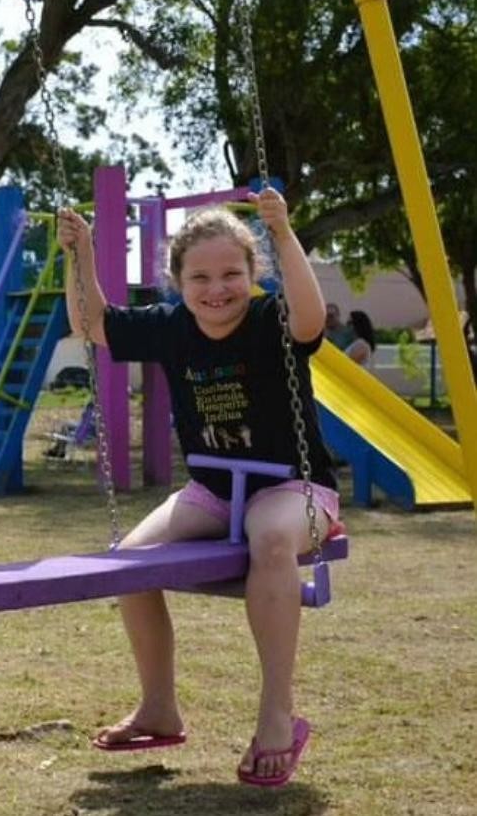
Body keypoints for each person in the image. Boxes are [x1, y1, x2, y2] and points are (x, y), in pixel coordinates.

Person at [57, 188, 340, 788]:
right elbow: (90, 323)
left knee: (269, 541)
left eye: (232, 274)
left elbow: (311, 320)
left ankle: (277, 716)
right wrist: (79, 252)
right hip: (214, 490)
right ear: (177, 282)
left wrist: (283, 232)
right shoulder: (171, 327)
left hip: (295, 488)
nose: (217, 289)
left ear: (253, 274)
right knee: (128, 564)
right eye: (201, 277)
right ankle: (158, 707)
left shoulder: (270, 319)